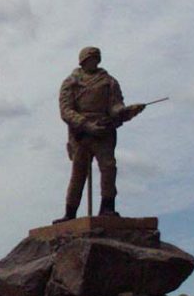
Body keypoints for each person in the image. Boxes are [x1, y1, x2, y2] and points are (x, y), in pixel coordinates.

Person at [55, 46, 144, 221]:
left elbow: (115, 105)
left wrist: (126, 111)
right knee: (79, 173)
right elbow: (66, 110)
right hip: (81, 133)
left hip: (104, 130)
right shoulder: (71, 82)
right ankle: (70, 213)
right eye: (90, 59)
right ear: (83, 61)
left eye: (96, 58)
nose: (93, 61)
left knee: (109, 168)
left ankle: (107, 207)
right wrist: (85, 125)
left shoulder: (109, 81)